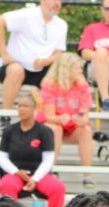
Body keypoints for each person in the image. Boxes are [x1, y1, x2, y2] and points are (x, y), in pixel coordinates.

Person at [0, 88, 66, 207]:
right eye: (19, 106)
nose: (21, 109)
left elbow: (48, 159)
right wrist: (16, 172)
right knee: (6, 184)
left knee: (58, 188)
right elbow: (2, 156)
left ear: (34, 109)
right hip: (16, 174)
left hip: (39, 175)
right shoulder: (9, 130)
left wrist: (34, 178)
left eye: (25, 106)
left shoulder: (44, 131)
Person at [0, 0, 66, 112]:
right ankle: (5, 115)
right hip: (13, 69)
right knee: (16, 70)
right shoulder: (27, 14)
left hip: (41, 70)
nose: (57, 3)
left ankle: (50, 119)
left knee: (61, 74)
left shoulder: (62, 24)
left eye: (60, 0)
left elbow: (58, 54)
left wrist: (45, 61)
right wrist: (4, 55)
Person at [40, 52, 93, 187]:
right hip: (55, 123)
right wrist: (61, 118)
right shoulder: (50, 85)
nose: (81, 70)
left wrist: (81, 119)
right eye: (77, 68)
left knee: (85, 130)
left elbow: (85, 114)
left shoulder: (82, 86)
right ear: (66, 69)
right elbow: (49, 116)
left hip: (71, 126)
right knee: (55, 128)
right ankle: (51, 170)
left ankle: (87, 175)